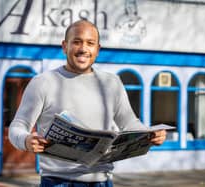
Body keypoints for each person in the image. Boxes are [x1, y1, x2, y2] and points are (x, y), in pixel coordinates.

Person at [9, 20, 167, 187]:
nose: (83, 49)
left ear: (97, 50)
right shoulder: (42, 83)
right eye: (76, 42)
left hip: (102, 181)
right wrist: (26, 140)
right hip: (57, 182)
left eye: (90, 43)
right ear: (64, 46)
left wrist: (149, 134)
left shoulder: (112, 83)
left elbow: (129, 123)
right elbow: (18, 126)